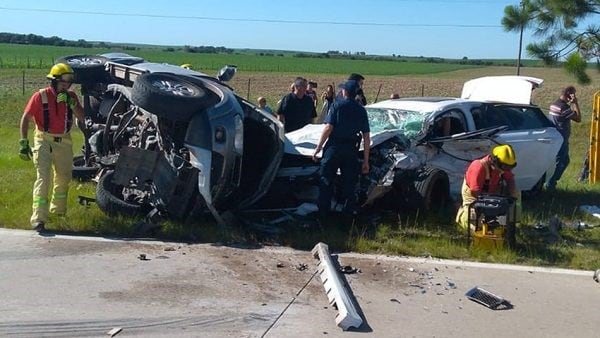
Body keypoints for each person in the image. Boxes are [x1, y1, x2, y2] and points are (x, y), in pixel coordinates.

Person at [19, 63, 85, 232]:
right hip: (43, 139)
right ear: (54, 81)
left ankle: (58, 211)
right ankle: (39, 219)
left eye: (69, 82)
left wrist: (72, 104)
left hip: (64, 141)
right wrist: (23, 142)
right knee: (44, 177)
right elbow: (26, 118)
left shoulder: (71, 97)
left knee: (64, 177)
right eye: (63, 82)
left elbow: (82, 117)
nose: (66, 85)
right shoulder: (40, 96)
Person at [312, 80, 371, 215]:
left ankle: (323, 214)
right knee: (349, 183)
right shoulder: (361, 110)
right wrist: (366, 161)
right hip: (351, 149)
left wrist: (318, 148)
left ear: (344, 92)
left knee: (326, 179)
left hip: (334, 147)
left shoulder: (336, 105)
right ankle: (348, 214)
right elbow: (367, 137)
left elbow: (328, 128)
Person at [455, 144, 519, 229]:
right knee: (477, 224)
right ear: (495, 161)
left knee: (517, 193)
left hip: (492, 195)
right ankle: (462, 217)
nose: (507, 170)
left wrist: (511, 196)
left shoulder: (503, 166)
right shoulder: (478, 167)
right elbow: (475, 192)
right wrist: (492, 206)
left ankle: (512, 223)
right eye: (505, 167)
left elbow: (510, 180)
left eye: (510, 167)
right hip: (475, 197)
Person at [546, 85, 581, 191]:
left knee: (562, 160)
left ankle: (550, 181)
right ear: (569, 95)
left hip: (555, 136)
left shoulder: (554, 104)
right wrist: (575, 103)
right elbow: (578, 118)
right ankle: (551, 183)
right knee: (563, 162)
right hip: (561, 138)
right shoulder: (563, 107)